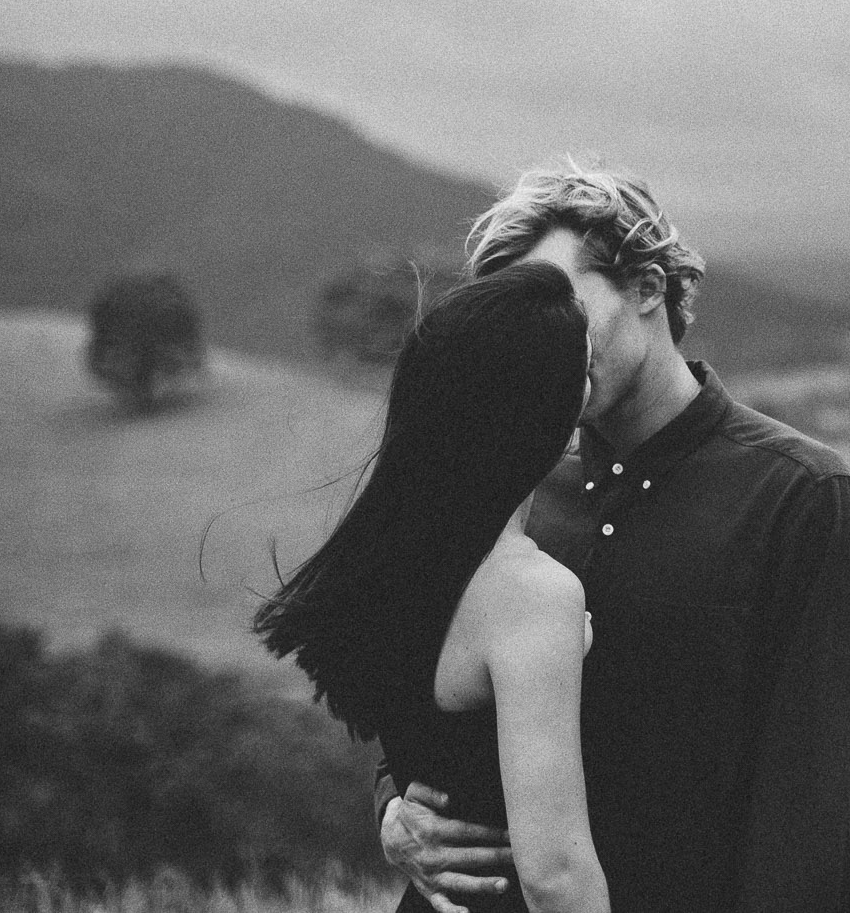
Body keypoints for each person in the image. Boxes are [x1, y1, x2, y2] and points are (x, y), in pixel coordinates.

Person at [379, 160, 850, 913]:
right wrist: (393, 807)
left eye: (560, 304)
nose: (543, 343)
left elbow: (815, 810)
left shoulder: (800, 497)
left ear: (648, 286)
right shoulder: (507, 494)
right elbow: (416, 685)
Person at [255, 262, 608, 913]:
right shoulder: (532, 591)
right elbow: (555, 871)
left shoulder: (397, 560)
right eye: (581, 375)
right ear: (539, 408)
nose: (589, 392)